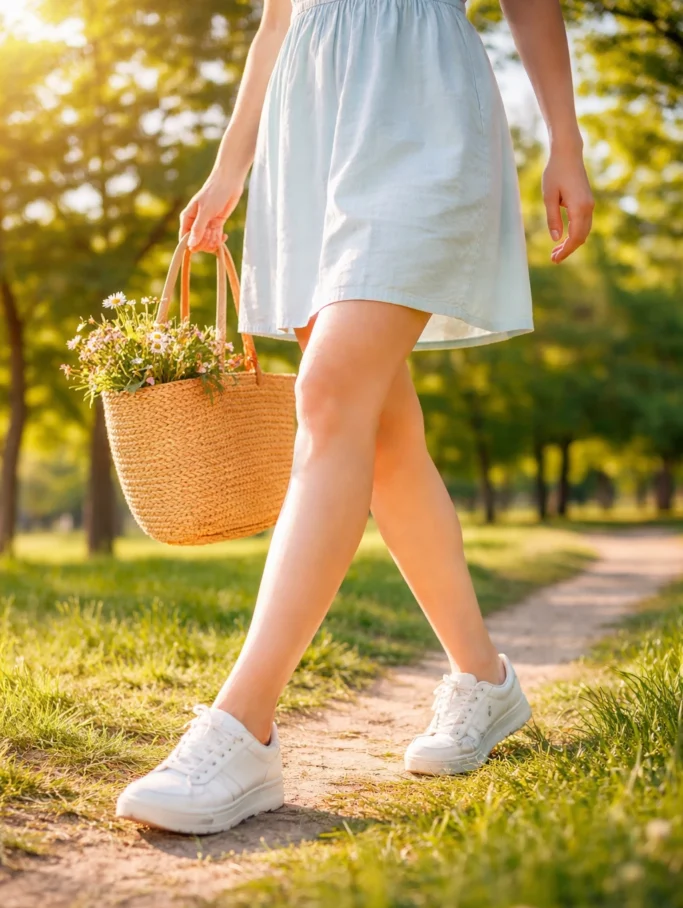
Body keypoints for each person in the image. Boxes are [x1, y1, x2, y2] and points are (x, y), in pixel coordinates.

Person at [116, 0, 594, 834]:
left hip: (422, 104)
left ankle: (244, 723)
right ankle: (483, 683)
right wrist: (233, 165)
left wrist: (566, 140)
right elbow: (275, 18)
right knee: (381, 437)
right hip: (310, 121)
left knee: (330, 392)